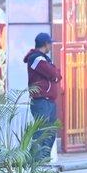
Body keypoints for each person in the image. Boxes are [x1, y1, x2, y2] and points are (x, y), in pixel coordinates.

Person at [25, 31, 61, 160]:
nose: (51, 46)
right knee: (41, 133)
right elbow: (53, 74)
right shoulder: (35, 58)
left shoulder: (44, 58)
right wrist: (55, 74)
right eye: (50, 43)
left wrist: (55, 74)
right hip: (41, 101)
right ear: (46, 44)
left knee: (50, 132)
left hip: (49, 101)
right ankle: (34, 161)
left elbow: (57, 75)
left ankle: (44, 160)